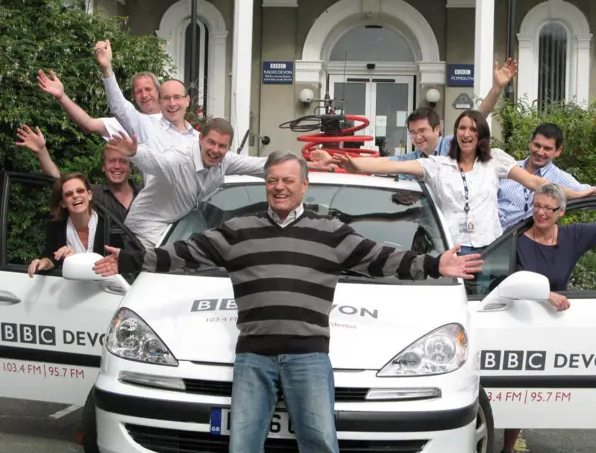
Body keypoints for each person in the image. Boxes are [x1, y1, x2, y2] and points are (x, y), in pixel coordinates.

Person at [92, 150, 484, 453]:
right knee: (243, 445)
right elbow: (182, 253)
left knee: (318, 444)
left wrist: (435, 264)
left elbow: (383, 259)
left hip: (308, 358)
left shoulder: (330, 232)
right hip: (253, 359)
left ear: (304, 185)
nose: (280, 187)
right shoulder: (238, 230)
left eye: (288, 181)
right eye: (273, 181)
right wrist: (127, 259)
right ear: (266, 184)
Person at [333, 110, 596, 255]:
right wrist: (353, 164)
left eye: (473, 129)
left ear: (481, 135)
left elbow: (536, 183)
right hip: (448, 251)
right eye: (462, 127)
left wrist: (577, 194)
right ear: (455, 133)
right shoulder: (437, 165)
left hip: (490, 252)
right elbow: (390, 164)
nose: (467, 133)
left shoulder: (497, 162)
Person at [501, 182, 596, 453]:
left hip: (555, 325)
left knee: (548, 390)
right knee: (518, 390)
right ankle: (507, 448)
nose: (541, 213)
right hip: (522, 323)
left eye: (548, 209)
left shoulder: (572, 236)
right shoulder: (518, 240)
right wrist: (546, 293)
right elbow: (512, 282)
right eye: (537, 206)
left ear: (561, 212)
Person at [106, 118, 332, 248]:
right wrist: (135, 152)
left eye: (222, 146)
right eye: (211, 143)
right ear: (200, 139)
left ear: (228, 147)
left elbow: (264, 166)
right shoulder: (179, 159)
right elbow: (156, 163)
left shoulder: (225, 161)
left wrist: (308, 164)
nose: (215, 151)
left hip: (177, 224)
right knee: (167, 271)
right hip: (144, 229)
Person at [389, 58, 518, 180]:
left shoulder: (452, 144)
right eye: (413, 132)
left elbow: (480, 115)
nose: (417, 137)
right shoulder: (414, 159)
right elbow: (387, 164)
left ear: (436, 129)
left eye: (422, 131)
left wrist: (497, 88)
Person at [498, 123, 596, 231]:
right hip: (489, 244)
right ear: (530, 143)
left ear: (558, 151)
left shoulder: (559, 178)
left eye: (547, 148)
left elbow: (588, 194)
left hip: (521, 247)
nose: (540, 152)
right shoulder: (508, 169)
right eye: (537, 145)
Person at [16, 125, 140, 223]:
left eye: (123, 161)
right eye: (112, 161)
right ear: (103, 167)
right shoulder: (92, 193)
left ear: (131, 167)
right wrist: (42, 151)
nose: (117, 166)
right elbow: (60, 181)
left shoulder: (145, 194)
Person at [95, 39, 200, 154]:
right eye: (166, 98)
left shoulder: (198, 139)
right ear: (160, 101)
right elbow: (119, 107)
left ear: (187, 100)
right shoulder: (147, 127)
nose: (172, 103)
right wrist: (107, 68)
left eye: (177, 97)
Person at [37, 68, 162, 140]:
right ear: (133, 97)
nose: (144, 95)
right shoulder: (129, 121)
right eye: (138, 92)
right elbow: (88, 124)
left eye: (148, 89)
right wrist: (62, 96)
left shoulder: (174, 120)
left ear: (158, 91)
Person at [28, 173, 105, 278]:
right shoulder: (56, 228)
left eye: (80, 191)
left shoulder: (108, 225)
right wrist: (44, 263)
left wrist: (75, 259)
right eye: (69, 194)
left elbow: (115, 266)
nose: (75, 195)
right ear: (63, 203)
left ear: (89, 195)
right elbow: (52, 258)